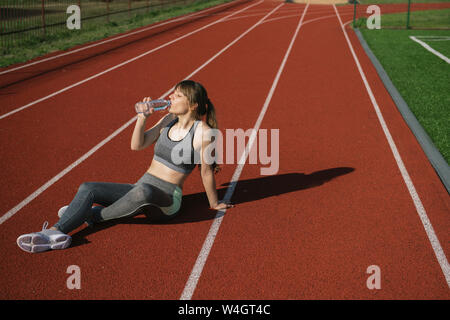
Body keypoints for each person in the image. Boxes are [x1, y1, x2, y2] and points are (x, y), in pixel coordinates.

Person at [17, 80, 234, 253]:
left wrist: (214, 203)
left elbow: (205, 171)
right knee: (87, 187)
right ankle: (54, 232)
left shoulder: (204, 133)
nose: (170, 97)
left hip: (167, 201)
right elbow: (137, 145)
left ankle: (87, 215)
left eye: (177, 95)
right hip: (140, 186)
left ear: (193, 105)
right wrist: (142, 118)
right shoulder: (168, 119)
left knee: (143, 191)